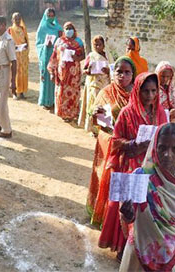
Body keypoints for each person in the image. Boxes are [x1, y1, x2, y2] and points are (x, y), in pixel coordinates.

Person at [98, 72, 168, 261]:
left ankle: (143, 249)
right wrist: (133, 145)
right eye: (146, 91)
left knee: (147, 210)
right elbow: (115, 141)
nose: (150, 96)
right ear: (138, 91)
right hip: (130, 166)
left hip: (152, 169)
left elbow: (167, 139)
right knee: (127, 208)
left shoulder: (161, 113)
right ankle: (123, 248)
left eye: (154, 91)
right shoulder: (127, 112)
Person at [86, 57, 136, 227]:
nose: (122, 75)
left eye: (127, 72)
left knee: (123, 183)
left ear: (133, 74)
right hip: (109, 142)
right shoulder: (106, 92)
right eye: (119, 72)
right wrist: (96, 115)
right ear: (113, 73)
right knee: (107, 179)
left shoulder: (138, 94)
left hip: (130, 145)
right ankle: (103, 214)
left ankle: (116, 222)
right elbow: (96, 119)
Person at [119, 123, 175, 272]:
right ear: (154, 148)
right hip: (139, 254)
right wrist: (126, 214)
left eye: (174, 149)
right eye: (162, 148)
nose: (167, 154)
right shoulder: (140, 176)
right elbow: (126, 218)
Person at [47, 21, 85, 122]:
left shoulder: (78, 42)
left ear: (74, 30)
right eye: (66, 29)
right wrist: (51, 72)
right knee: (61, 92)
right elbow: (54, 56)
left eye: (70, 28)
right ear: (63, 30)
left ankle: (72, 114)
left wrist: (77, 57)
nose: (69, 31)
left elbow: (83, 55)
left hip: (74, 74)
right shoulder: (59, 41)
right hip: (61, 73)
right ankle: (63, 113)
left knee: (73, 93)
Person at [78, 35, 112, 132]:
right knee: (94, 105)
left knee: (105, 106)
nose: (97, 47)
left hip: (105, 85)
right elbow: (84, 70)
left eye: (99, 45)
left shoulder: (108, 56)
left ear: (103, 45)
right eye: (95, 45)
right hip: (93, 85)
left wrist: (108, 71)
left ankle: (103, 127)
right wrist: (88, 71)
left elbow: (114, 69)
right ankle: (93, 128)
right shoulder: (91, 56)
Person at [36, 8, 62, 110]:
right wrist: (45, 45)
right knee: (46, 78)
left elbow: (62, 41)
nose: (50, 18)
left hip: (56, 57)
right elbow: (38, 44)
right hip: (46, 56)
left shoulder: (58, 28)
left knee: (55, 78)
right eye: (49, 16)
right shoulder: (42, 28)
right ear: (45, 16)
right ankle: (45, 101)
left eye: (52, 16)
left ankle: (55, 101)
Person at [8, 12, 29, 100]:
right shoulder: (10, 30)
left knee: (23, 73)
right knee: (15, 73)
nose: (17, 20)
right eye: (15, 19)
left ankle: (22, 91)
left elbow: (26, 40)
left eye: (18, 19)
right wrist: (14, 47)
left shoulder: (23, 29)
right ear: (12, 20)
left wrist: (26, 45)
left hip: (23, 55)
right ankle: (14, 91)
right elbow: (8, 42)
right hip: (14, 55)